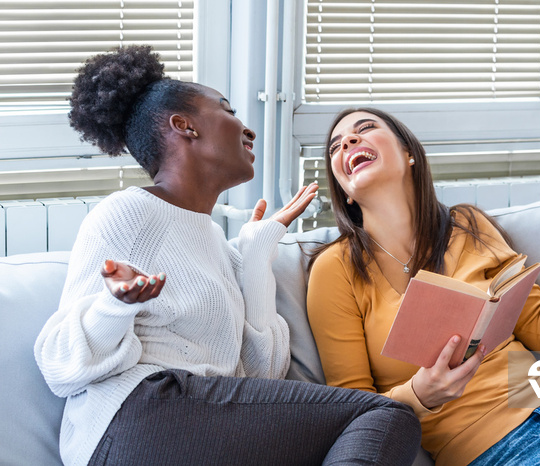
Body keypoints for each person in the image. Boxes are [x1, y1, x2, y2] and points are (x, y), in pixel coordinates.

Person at [34, 48, 422, 466]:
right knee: (386, 415)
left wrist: (257, 252)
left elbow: (261, 376)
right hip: (135, 418)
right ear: (185, 126)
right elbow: (60, 364)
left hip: (193, 426)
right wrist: (114, 305)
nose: (248, 129)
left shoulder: (216, 242)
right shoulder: (131, 212)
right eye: (228, 110)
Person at [306, 107, 540, 465]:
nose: (348, 143)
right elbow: (354, 410)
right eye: (337, 146)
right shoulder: (335, 269)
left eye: (364, 129)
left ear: (409, 154)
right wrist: (421, 393)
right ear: (344, 189)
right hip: (499, 448)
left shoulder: (466, 227)